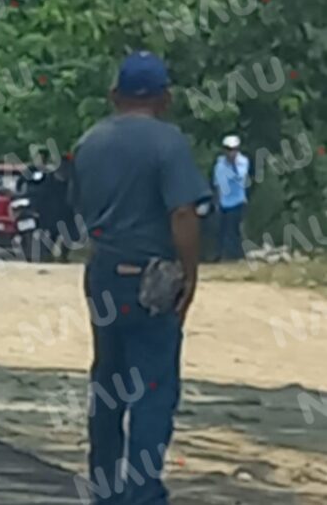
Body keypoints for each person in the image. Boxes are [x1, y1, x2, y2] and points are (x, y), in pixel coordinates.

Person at [70, 51, 212, 504]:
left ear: (115, 95)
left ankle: (105, 489)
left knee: (108, 384)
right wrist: (190, 276)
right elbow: (183, 212)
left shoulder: (90, 141)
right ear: (164, 98)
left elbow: (80, 207)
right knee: (152, 387)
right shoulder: (168, 144)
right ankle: (143, 492)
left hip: (104, 271)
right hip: (152, 274)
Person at [212, 135, 250, 261]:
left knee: (233, 230)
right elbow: (218, 183)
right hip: (223, 202)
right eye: (228, 149)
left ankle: (236, 256)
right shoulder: (219, 164)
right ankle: (223, 255)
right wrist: (217, 202)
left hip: (237, 201)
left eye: (233, 149)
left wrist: (233, 164)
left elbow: (240, 176)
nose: (231, 152)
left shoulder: (243, 162)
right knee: (221, 231)